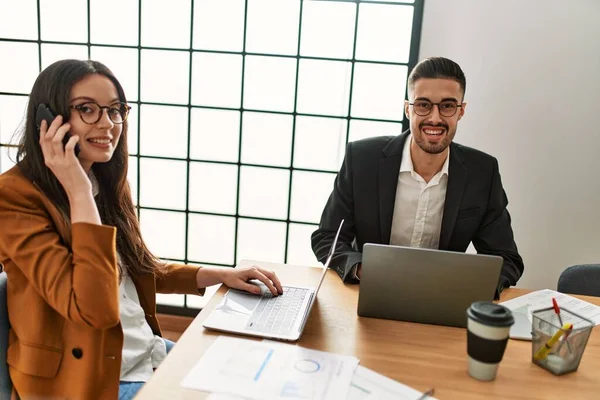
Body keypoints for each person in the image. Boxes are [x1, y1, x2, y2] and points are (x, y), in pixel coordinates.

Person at [0, 59, 283, 400]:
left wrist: (219, 274)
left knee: (259, 378)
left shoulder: (103, 180)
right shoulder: (14, 197)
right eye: (87, 109)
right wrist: (75, 189)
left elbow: (133, 269)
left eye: (115, 109)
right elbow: (95, 309)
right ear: (50, 119)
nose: (107, 124)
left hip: (142, 352)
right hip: (86, 380)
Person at [311, 57, 524, 298]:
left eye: (447, 106)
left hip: (444, 299)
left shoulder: (482, 172)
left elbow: (507, 259)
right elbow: (327, 237)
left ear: (461, 111)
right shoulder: (361, 160)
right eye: (423, 105)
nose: (435, 118)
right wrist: (360, 269)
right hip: (370, 293)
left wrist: (467, 285)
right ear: (408, 108)